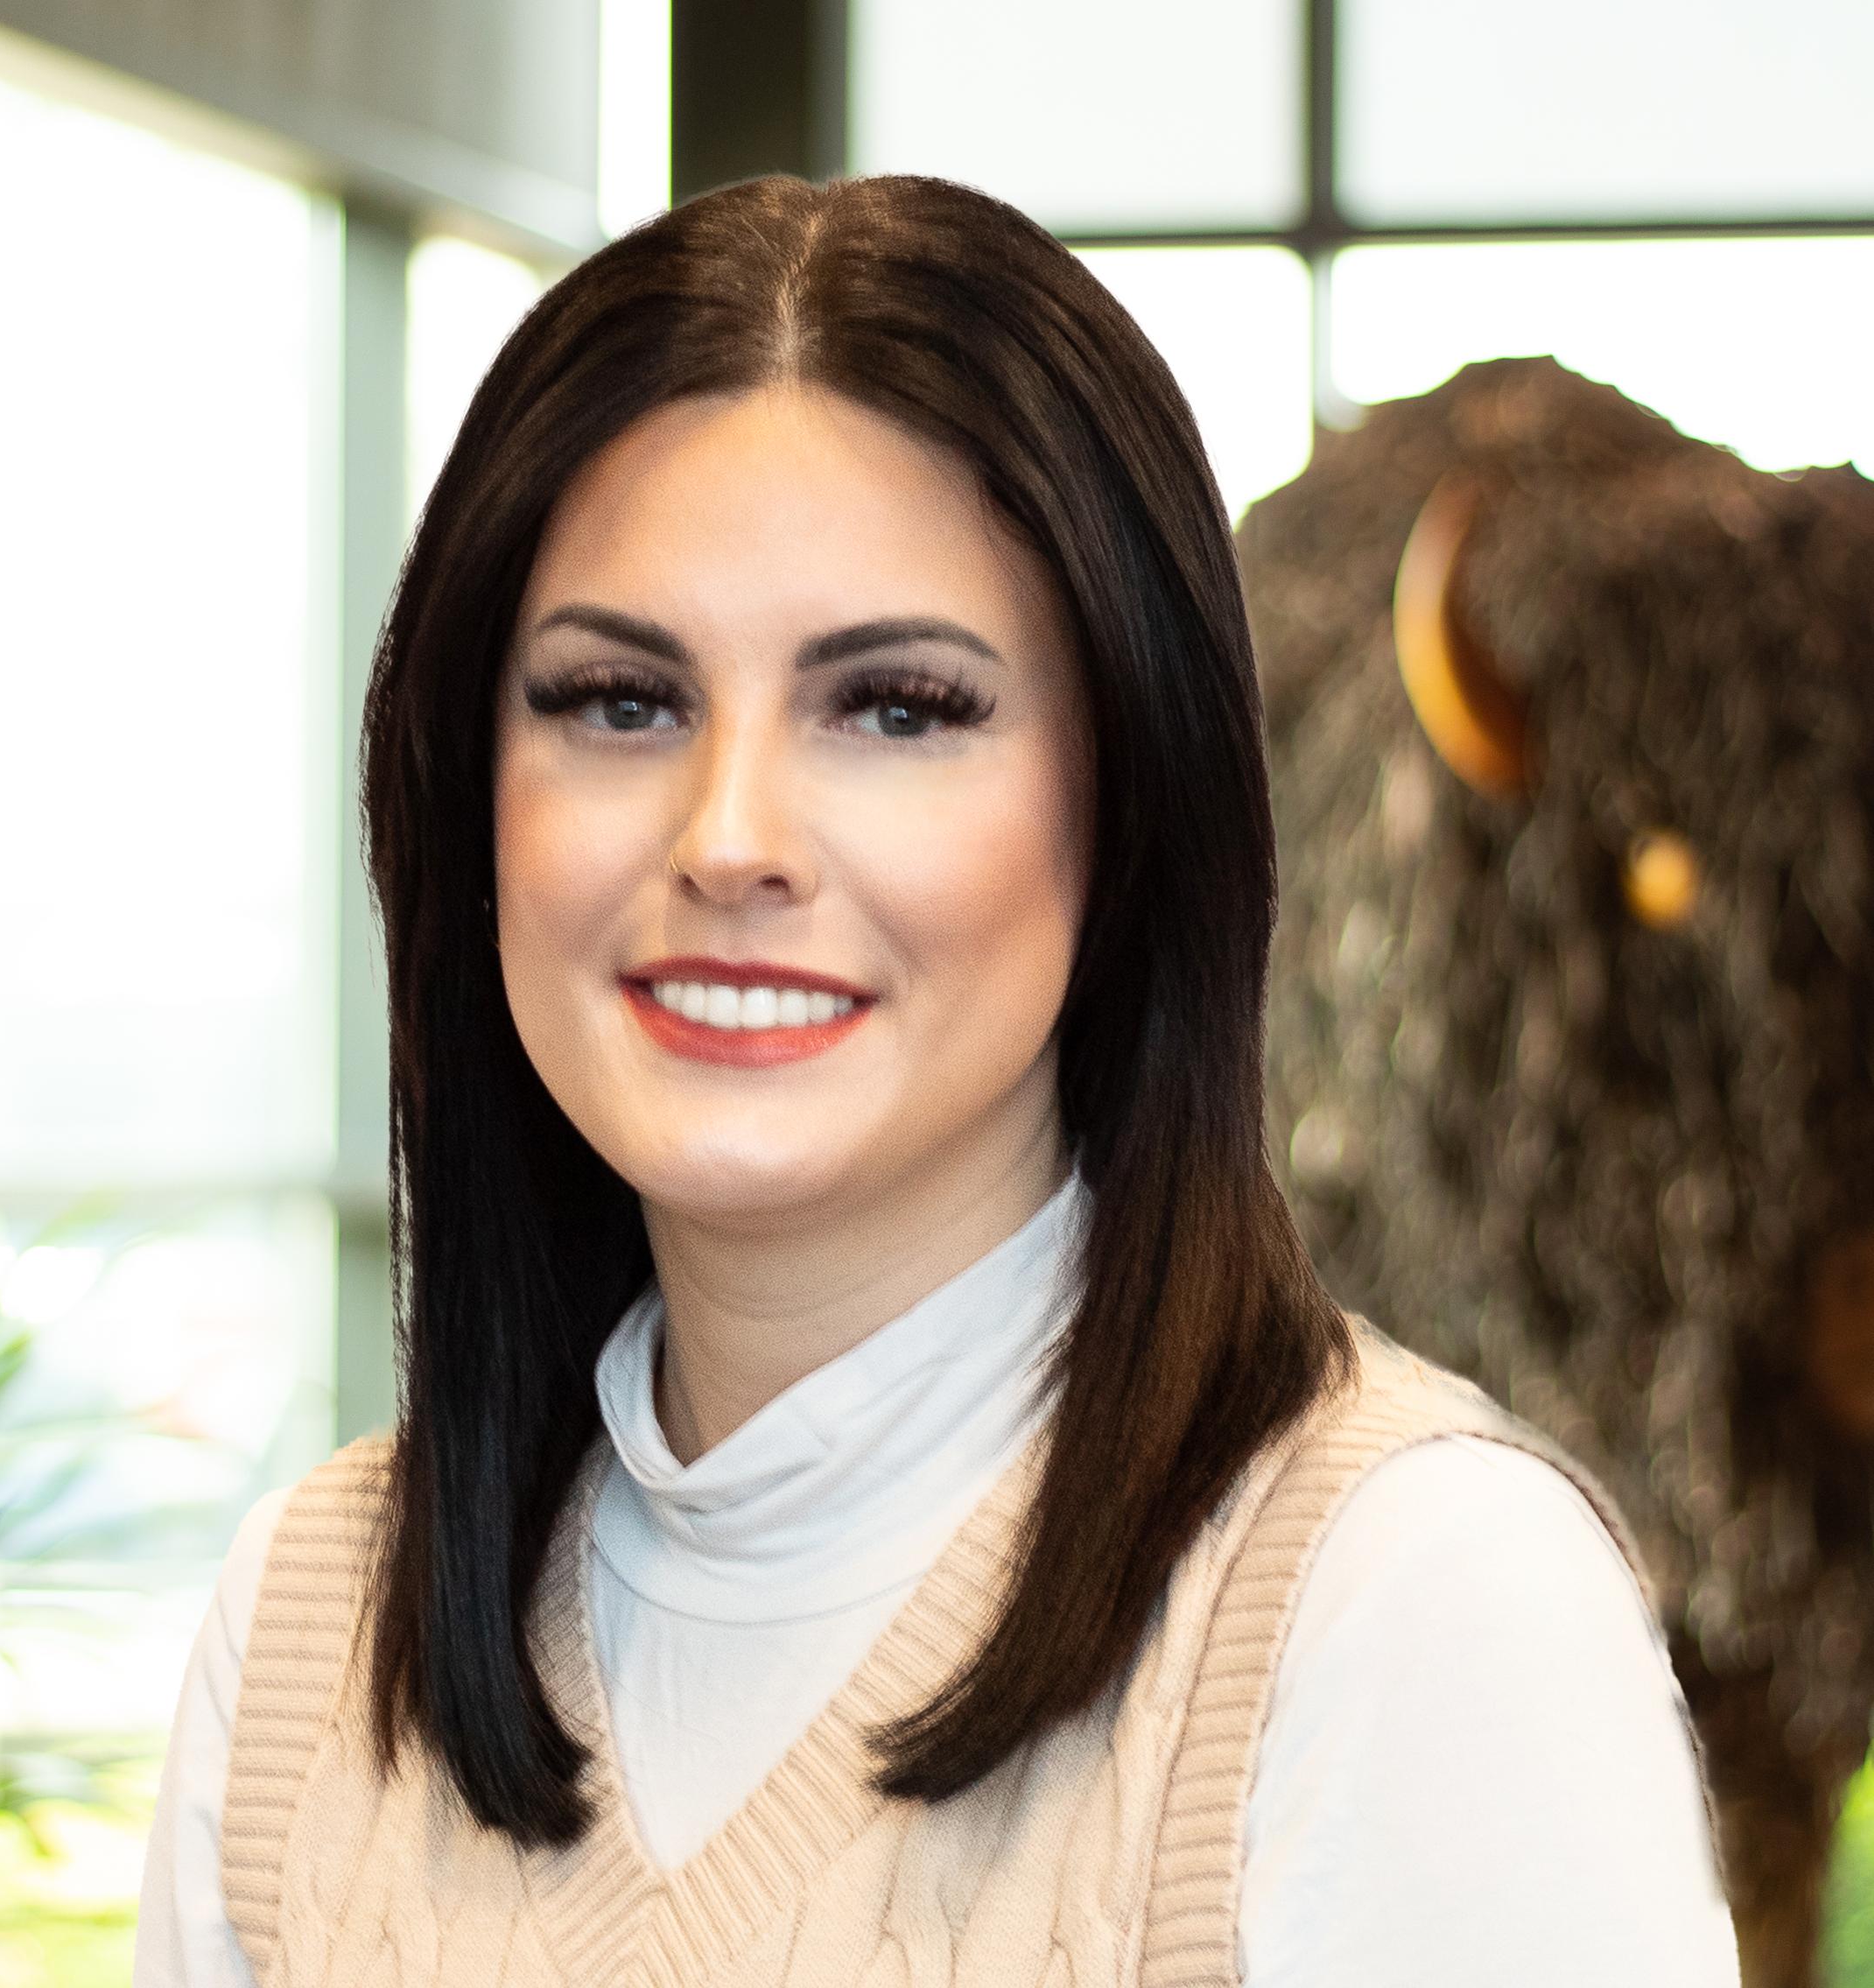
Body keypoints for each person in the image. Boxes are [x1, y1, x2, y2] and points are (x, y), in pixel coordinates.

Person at [133, 172, 1737, 1985]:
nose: (730, 835)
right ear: (463, 798)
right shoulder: (311, 1628)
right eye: (616, 698)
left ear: (1125, 806)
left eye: (896, 706)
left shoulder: (1409, 1600)